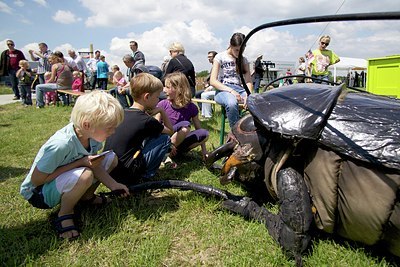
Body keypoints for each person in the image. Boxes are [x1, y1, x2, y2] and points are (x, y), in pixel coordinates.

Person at [20, 91, 130, 240]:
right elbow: (37, 180)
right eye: (109, 127)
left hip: (63, 180)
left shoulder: (91, 136)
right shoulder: (62, 144)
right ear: (87, 124)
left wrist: (113, 184)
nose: (113, 131)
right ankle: (64, 214)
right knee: (85, 175)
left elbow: (94, 164)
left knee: (110, 158)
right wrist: (80, 163)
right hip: (39, 193)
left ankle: (87, 197)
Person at [104, 73, 173, 185]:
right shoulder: (146, 120)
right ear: (147, 97)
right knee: (164, 138)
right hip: (128, 175)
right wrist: (161, 111)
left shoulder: (122, 113)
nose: (158, 100)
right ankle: (145, 176)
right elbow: (170, 131)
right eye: (157, 97)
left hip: (109, 172)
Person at [157, 72, 209, 160]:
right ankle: (165, 153)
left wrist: (204, 151)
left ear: (179, 89)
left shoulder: (192, 107)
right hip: (164, 140)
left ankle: (175, 153)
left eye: (167, 87)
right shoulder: (162, 104)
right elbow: (156, 127)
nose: (164, 90)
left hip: (180, 140)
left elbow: (198, 128)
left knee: (204, 133)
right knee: (185, 125)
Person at [210, 32, 253, 129]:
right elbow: (213, 81)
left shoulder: (244, 60)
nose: (239, 53)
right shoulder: (220, 57)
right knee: (231, 103)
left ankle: (254, 132)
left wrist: (248, 94)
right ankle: (236, 134)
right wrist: (231, 91)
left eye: (242, 50)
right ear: (230, 45)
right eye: (236, 50)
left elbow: (248, 81)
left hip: (240, 90)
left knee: (256, 102)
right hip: (223, 90)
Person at [199, 51, 218, 119]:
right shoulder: (213, 66)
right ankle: (204, 112)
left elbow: (217, 80)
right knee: (198, 94)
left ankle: (208, 115)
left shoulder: (218, 66)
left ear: (215, 57)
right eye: (208, 57)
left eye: (210, 57)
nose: (208, 58)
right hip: (212, 87)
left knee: (203, 94)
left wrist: (210, 87)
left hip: (216, 88)